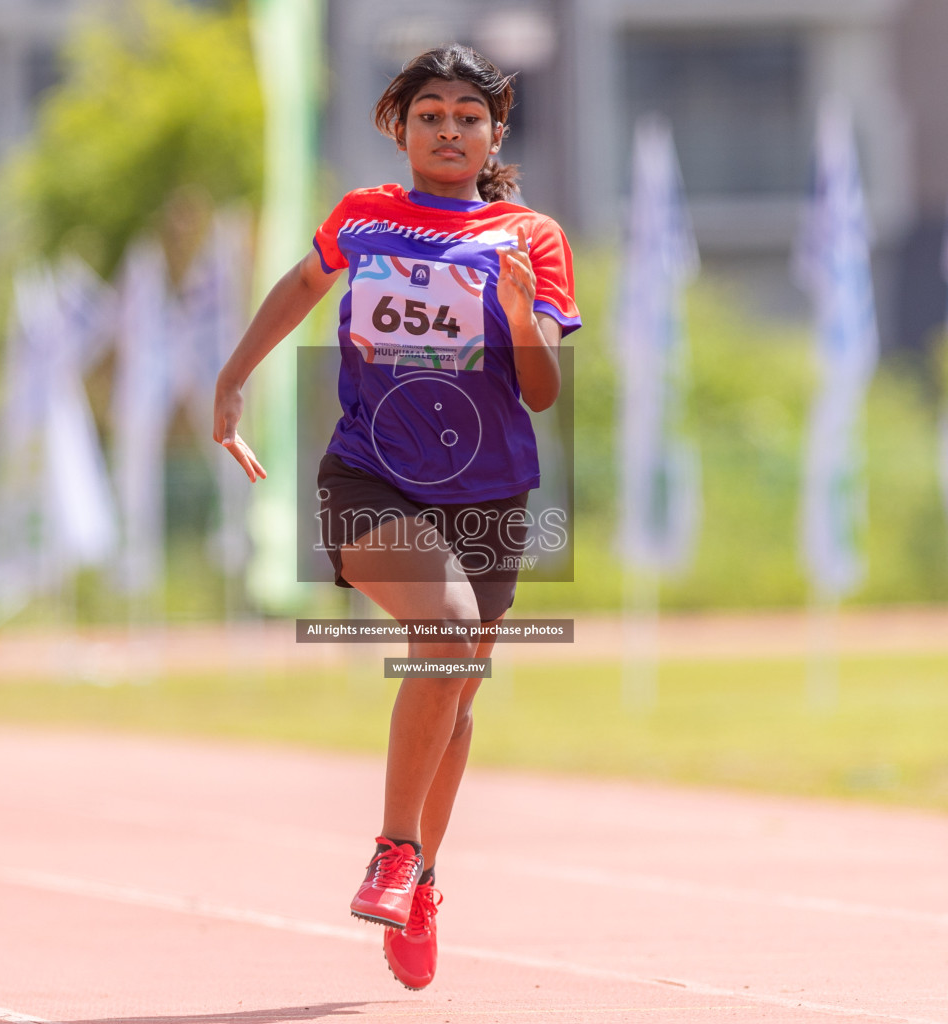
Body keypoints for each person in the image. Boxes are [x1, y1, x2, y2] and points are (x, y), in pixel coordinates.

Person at [213, 45, 579, 990]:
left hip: (491, 489)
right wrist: (233, 377)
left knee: (456, 689)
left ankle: (418, 880)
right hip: (370, 474)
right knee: (446, 633)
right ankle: (393, 849)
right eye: (430, 114)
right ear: (399, 126)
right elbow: (301, 288)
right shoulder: (364, 217)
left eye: (468, 115)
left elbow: (540, 393)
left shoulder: (530, 237)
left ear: (496, 131)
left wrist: (522, 316)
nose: (448, 129)